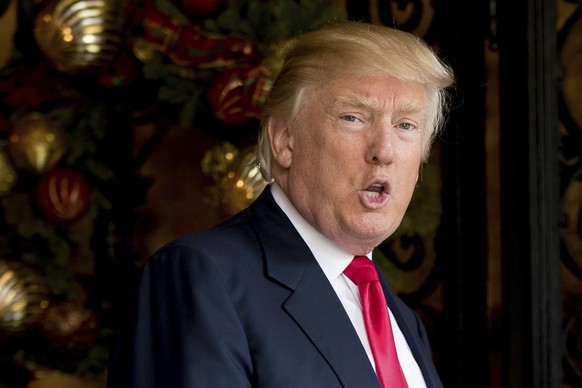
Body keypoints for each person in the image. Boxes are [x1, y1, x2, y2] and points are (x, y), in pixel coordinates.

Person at [107, 21, 454, 388]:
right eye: (353, 117)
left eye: (405, 126)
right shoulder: (200, 276)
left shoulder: (400, 320)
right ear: (285, 141)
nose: (383, 151)